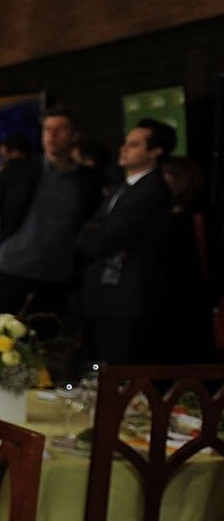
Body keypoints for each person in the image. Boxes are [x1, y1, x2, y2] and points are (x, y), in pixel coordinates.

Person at [0, 110, 100, 342]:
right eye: (47, 129)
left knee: (46, 342)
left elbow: (89, 224)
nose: (52, 135)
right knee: (2, 340)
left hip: (57, 273)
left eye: (60, 129)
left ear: (74, 136)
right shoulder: (19, 169)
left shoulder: (86, 180)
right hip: (13, 266)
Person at [76, 120, 176, 364]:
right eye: (125, 143)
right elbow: (89, 231)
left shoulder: (151, 190)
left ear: (155, 151)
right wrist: (93, 235)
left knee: (118, 364)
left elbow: (107, 239)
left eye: (134, 144)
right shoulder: (123, 187)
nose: (124, 149)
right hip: (106, 292)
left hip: (127, 296)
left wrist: (95, 237)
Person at [153, 155, 217, 360]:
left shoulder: (200, 217)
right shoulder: (154, 216)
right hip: (158, 300)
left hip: (191, 300)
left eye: (167, 174)